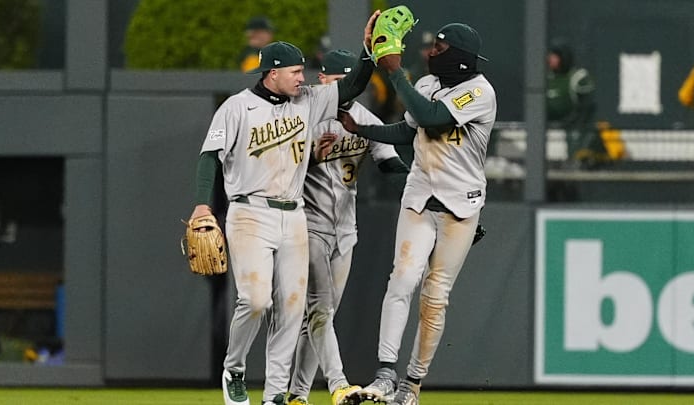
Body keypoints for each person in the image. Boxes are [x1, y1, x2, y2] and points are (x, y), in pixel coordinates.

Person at [188, 10, 382, 405]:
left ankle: (276, 394)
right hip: (249, 212)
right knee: (257, 301)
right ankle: (236, 367)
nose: (302, 77)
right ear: (271, 73)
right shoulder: (237, 107)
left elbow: (354, 86)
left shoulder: (308, 101)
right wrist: (201, 206)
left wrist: (368, 48)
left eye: (302, 70)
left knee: (293, 310)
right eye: (295, 71)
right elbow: (210, 157)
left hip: (294, 215)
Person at [338, 23, 496, 405]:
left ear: (459, 55)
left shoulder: (480, 91)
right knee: (402, 280)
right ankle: (385, 375)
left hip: (460, 205)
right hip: (421, 194)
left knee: (435, 297)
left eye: (440, 48)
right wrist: (363, 129)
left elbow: (432, 118)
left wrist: (394, 71)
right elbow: (409, 131)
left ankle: (412, 385)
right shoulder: (425, 84)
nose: (431, 53)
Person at [286, 49, 410, 405]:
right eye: (337, 80)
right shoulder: (305, 116)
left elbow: (389, 164)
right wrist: (312, 156)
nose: (344, 87)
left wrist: (421, 189)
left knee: (319, 317)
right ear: (322, 80)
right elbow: (279, 173)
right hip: (308, 224)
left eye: (348, 80)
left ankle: (296, 395)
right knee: (321, 309)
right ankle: (338, 385)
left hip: (345, 229)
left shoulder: (362, 117)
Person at [546, 38, 602, 168]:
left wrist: (572, 124)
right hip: (550, 136)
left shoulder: (578, 78)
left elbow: (587, 108)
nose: (551, 59)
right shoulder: (545, 79)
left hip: (573, 134)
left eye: (555, 56)